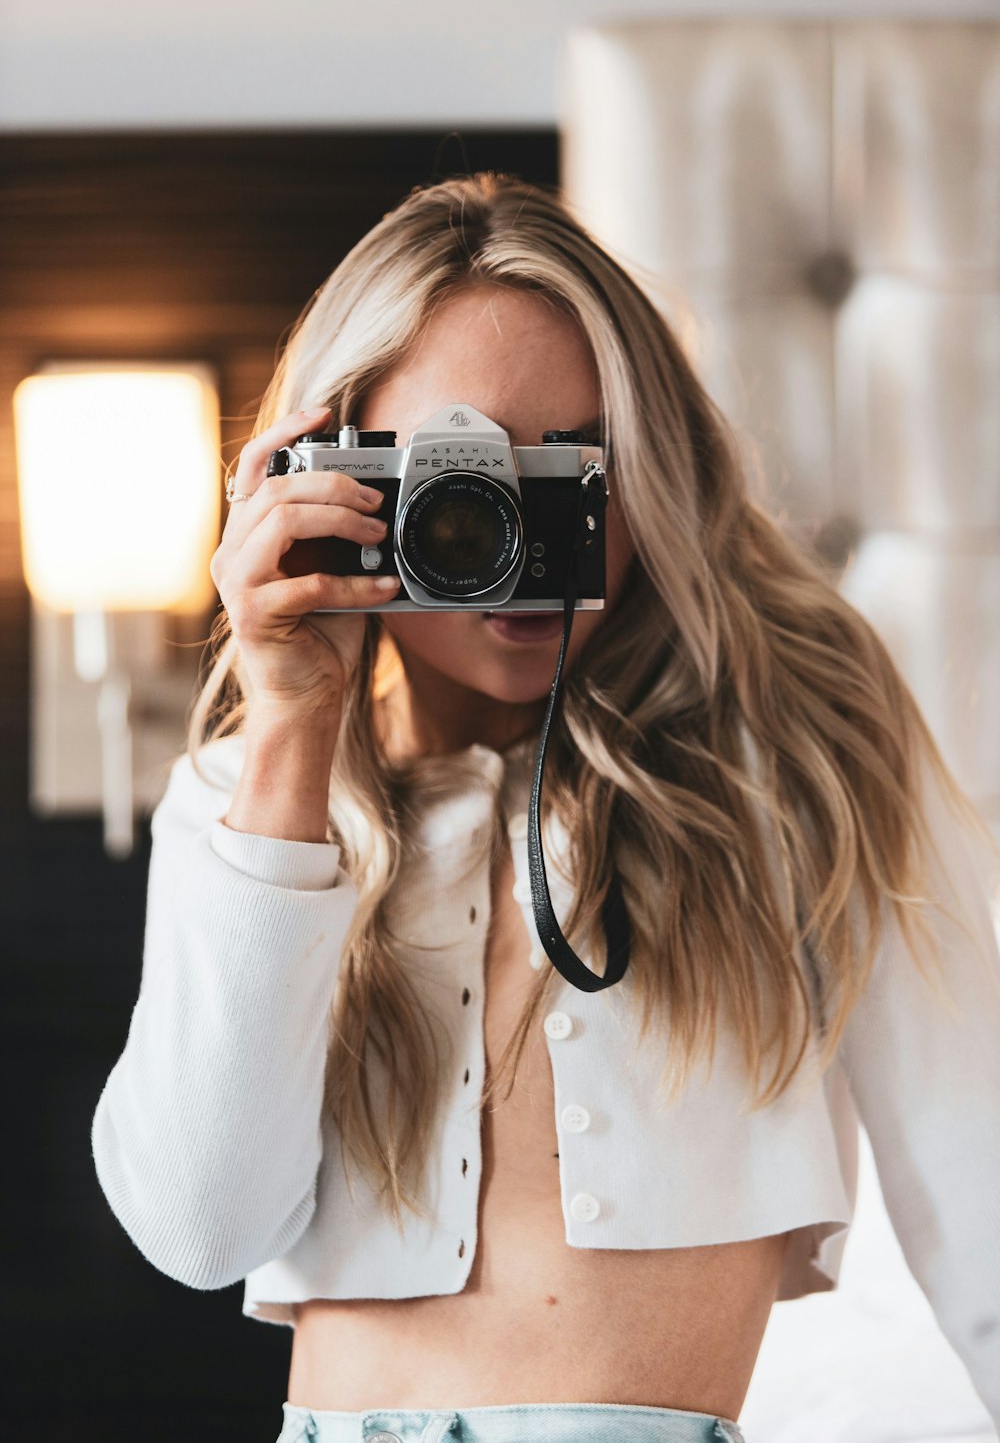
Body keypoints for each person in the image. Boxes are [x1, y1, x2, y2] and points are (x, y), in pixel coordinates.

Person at [92, 173, 1000, 1443]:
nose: (516, 543)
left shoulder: (798, 751)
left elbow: (983, 1174)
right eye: (463, 486)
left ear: (652, 460)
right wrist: (294, 735)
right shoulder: (250, 807)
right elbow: (200, 1229)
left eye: (573, 468)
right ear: (339, 481)